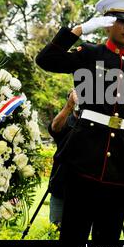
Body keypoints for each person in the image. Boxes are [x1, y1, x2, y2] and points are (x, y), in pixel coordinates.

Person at [36, 0, 124, 241]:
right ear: (108, 24)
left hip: (122, 168)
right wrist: (79, 29)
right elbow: (46, 60)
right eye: (122, 21)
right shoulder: (89, 54)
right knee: (73, 236)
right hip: (83, 164)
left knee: (107, 240)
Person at [47, 89, 79, 230]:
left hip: (84, 187)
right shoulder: (66, 120)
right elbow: (54, 127)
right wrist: (69, 106)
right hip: (61, 183)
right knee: (57, 226)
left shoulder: (92, 124)